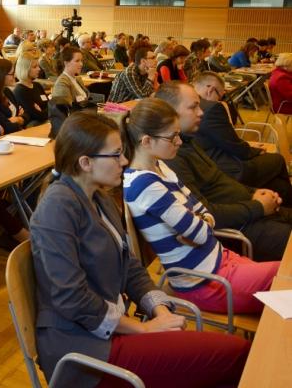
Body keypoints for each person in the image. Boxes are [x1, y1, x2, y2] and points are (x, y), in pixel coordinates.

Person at [31, 110, 250, 388]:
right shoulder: (57, 208)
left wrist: (158, 309)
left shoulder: (99, 196)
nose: (124, 161)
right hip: (84, 352)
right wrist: (143, 328)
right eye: (116, 154)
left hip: (107, 333)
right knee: (235, 356)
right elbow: (72, 298)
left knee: (223, 358)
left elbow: (130, 264)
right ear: (85, 162)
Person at [123, 98, 279, 314]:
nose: (179, 141)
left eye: (178, 134)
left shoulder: (160, 166)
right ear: (147, 141)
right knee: (284, 276)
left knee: (284, 275)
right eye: (172, 136)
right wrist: (199, 225)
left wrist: (199, 225)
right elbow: (202, 233)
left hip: (218, 261)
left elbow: (205, 215)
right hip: (205, 282)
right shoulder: (144, 185)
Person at [155, 82, 292, 261]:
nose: (201, 112)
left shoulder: (187, 140)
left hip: (249, 212)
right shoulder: (173, 157)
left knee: (280, 187)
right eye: (193, 107)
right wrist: (258, 206)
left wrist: (255, 192)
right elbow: (205, 213)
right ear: (169, 112)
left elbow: (221, 180)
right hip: (238, 230)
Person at [192, 71, 292, 203]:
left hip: (206, 166)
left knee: (278, 185)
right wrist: (256, 151)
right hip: (223, 169)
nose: (220, 101)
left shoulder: (184, 105)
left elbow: (226, 141)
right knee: (277, 160)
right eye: (220, 96)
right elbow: (233, 145)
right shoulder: (210, 108)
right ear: (210, 90)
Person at [13, 52, 48, 126]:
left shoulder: (37, 85)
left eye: (38, 66)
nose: (39, 69)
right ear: (25, 69)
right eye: (35, 67)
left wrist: (44, 111)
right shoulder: (20, 90)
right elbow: (36, 115)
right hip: (34, 124)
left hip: (45, 120)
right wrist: (47, 111)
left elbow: (50, 105)